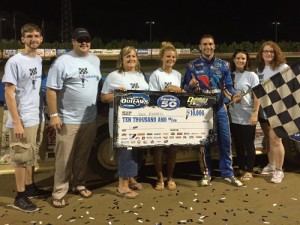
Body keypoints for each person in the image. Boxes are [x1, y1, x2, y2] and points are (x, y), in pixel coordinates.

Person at [46, 27, 101, 207]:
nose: (84, 43)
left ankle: (79, 183)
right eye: (80, 40)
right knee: (64, 159)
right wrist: (54, 115)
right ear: (73, 42)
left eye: (87, 39)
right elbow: (51, 90)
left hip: (89, 119)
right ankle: (59, 191)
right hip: (67, 119)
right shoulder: (63, 61)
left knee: (82, 156)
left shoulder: (95, 60)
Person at [182, 34, 243, 187]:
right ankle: (206, 173)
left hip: (220, 107)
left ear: (214, 46)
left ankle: (228, 173)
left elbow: (228, 87)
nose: (208, 47)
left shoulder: (224, 65)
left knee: (225, 140)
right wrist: (190, 85)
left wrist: (234, 95)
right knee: (204, 143)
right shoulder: (191, 66)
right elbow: (185, 89)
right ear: (200, 46)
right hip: (201, 109)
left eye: (210, 44)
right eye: (204, 44)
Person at [2, 23, 45, 212]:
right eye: (29, 36)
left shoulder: (38, 60)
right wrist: (17, 122)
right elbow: (8, 93)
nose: (33, 39)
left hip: (35, 116)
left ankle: (29, 187)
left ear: (41, 39)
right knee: (20, 157)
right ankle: (20, 197)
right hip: (21, 119)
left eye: (36, 36)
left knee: (31, 155)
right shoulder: (15, 61)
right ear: (22, 39)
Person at [101, 46, 149, 199]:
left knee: (138, 151)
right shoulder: (114, 76)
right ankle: (122, 185)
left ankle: (131, 177)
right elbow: (103, 98)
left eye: (133, 56)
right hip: (122, 122)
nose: (131, 59)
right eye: (127, 56)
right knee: (126, 151)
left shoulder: (141, 76)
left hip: (140, 120)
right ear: (121, 60)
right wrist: (117, 95)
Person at [148, 42, 184, 191]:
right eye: (168, 56)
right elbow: (151, 97)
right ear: (162, 57)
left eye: (173, 57)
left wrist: (180, 91)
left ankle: (170, 177)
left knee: (172, 149)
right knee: (158, 149)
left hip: (174, 116)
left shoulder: (177, 74)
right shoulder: (156, 74)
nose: (171, 59)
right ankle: (159, 178)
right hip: (159, 116)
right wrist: (167, 89)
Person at [255, 41, 288, 183]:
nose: (268, 54)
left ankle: (279, 171)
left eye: (271, 51)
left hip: (279, 109)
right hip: (264, 109)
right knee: (268, 139)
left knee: (276, 139)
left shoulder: (283, 67)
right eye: (265, 51)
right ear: (261, 54)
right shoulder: (259, 70)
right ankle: (271, 164)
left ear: (276, 53)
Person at [228, 49, 260, 181]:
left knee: (249, 144)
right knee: (239, 144)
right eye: (238, 58)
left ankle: (249, 170)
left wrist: (255, 113)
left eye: (243, 59)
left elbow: (257, 95)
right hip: (233, 115)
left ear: (247, 61)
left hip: (248, 115)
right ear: (234, 59)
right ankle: (241, 167)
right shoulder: (230, 75)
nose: (240, 61)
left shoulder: (251, 75)